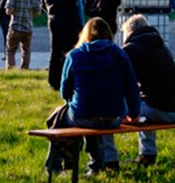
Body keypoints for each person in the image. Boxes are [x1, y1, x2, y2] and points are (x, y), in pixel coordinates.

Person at [46, 17, 140, 174]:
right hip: (113, 116)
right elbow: (131, 88)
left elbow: (65, 90)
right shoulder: (119, 54)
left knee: (61, 116)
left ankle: (56, 164)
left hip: (83, 114)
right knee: (93, 113)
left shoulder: (75, 55)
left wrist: (72, 101)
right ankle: (95, 164)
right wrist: (134, 113)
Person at [121, 15, 175, 166]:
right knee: (144, 103)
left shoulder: (130, 49)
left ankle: (108, 159)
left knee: (116, 110)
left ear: (129, 31)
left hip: (162, 109)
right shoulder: (160, 45)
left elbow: (120, 80)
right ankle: (147, 155)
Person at [40, 0, 93, 90]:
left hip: (52, 19)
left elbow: (42, 4)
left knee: (55, 51)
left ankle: (53, 81)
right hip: (68, 19)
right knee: (71, 51)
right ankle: (70, 80)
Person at [5, 0, 41, 70]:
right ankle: (25, 69)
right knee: (26, 51)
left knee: (11, 50)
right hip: (28, 27)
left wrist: (13, 12)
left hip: (16, 26)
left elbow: (8, 10)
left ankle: (11, 69)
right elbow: (38, 13)